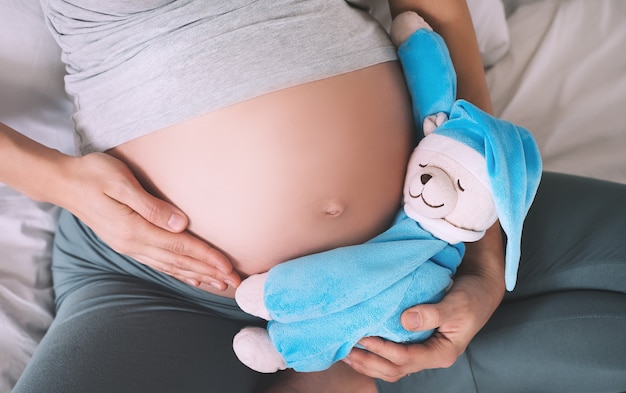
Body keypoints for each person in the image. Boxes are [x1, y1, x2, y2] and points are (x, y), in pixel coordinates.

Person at [5, 1, 625, 393]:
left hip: (427, 232)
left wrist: (485, 256)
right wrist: (56, 181)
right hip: (164, 284)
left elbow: (435, 10)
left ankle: (343, 369)